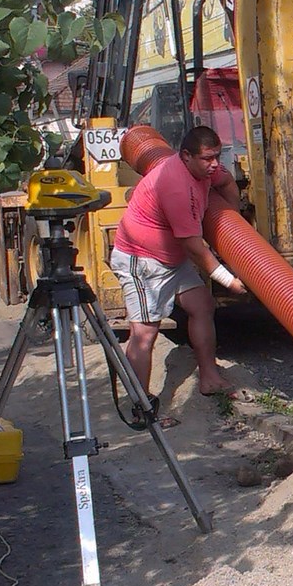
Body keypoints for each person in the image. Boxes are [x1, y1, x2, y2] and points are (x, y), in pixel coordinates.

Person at [109, 125, 247, 396]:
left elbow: (227, 181)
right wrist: (228, 280)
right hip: (141, 261)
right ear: (186, 156)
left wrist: (233, 222)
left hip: (172, 259)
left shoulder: (207, 170)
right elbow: (193, 246)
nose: (214, 164)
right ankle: (143, 406)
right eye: (207, 158)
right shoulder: (174, 185)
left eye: (217, 156)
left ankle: (209, 378)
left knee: (202, 305)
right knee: (145, 333)